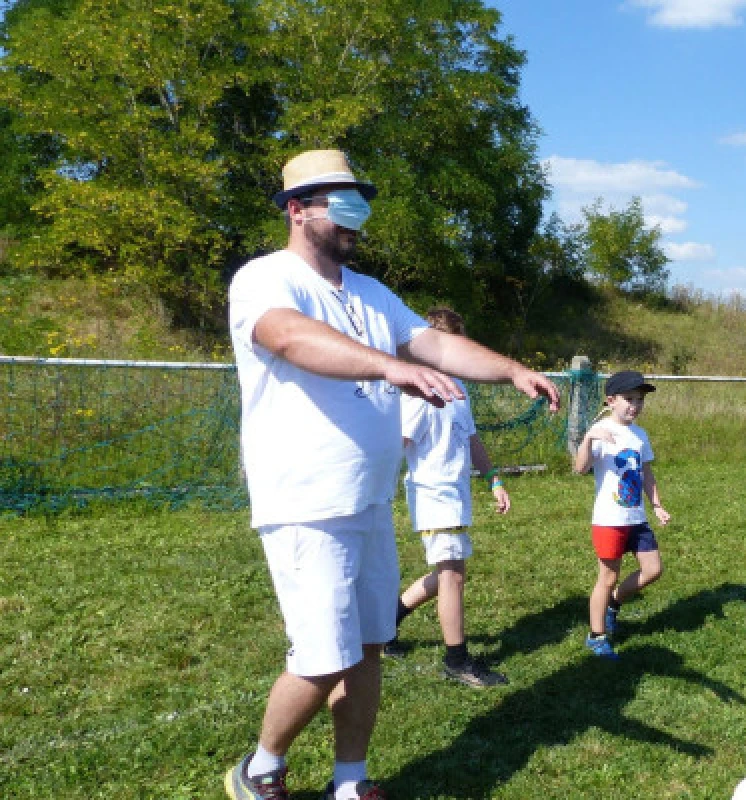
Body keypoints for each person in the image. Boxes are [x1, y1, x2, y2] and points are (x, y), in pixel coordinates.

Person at [225, 149, 559, 800]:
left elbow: (435, 344)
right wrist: (387, 366)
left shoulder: (372, 294)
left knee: (370, 645)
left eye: (361, 204)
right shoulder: (266, 280)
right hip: (304, 502)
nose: (357, 217)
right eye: (341, 203)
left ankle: (350, 781)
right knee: (323, 657)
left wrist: (510, 368)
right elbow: (290, 337)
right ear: (298, 210)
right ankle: (260, 768)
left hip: (369, 501)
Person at [382, 307, 511, 688]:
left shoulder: (459, 390)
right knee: (452, 575)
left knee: (448, 574)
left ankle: (386, 624)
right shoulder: (418, 395)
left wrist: (493, 479)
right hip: (432, 494)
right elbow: (397, 445)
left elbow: (471, 439)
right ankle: (457, 660)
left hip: (456, 494)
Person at [572, 370, 671, 659]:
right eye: (629, 399)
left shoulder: (640, 435)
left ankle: (613, 604)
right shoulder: (601, 431)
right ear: (611, 400)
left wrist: (657, 505)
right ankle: (596, 635)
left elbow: (647, 474)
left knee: (653, 569)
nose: (635, 406)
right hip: (609, 520)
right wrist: (589, 437)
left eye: (639, 400)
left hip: (636, 518)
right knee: (608, 577)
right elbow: (579, 468)